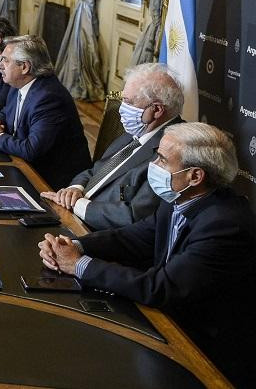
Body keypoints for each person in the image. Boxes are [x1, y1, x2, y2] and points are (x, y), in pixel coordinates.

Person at [37, 123, 256, 385]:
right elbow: (134, 237)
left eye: (162, 159)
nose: (153, 164)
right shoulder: (180, 198)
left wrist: (79, 265)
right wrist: (74, 246)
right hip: (170, 319)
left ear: (195, 176)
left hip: (206, 348)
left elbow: (162, 287)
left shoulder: (224, 224)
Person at [41, 63, 184, 230]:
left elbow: (132, 216)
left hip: (99, 235)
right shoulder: (137, 130)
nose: (122, 108)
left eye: (128, 101)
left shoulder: (172, 153)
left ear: (157, 110)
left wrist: (77, 204)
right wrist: (74, 189)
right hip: (73, 215)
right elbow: (96, 170)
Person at [0, 35, 91, 188]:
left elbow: (31, 149)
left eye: (5, 60)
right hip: (25, 166)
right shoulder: (19, 83)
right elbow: (6, 111)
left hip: (52, 181)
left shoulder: (49, 98)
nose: (0, 66)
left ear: (24, 67)